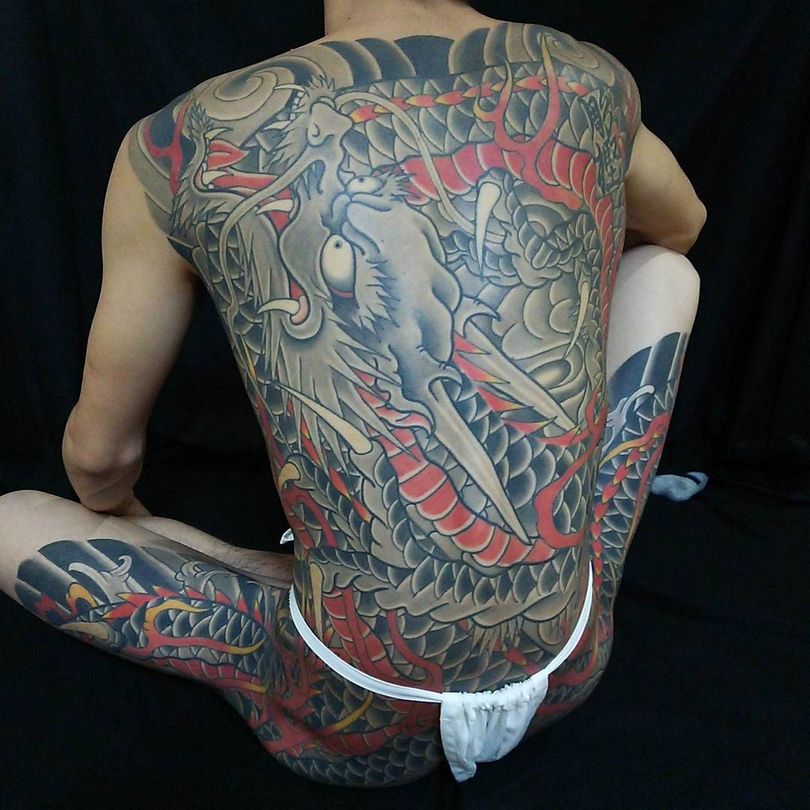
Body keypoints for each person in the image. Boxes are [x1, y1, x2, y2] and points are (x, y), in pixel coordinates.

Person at [0, 0, 705, 788]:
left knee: (8, 519)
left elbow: (99, 459)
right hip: (572, 660)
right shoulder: (591, 80)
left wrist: (130, 517)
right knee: (666, 275)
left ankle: (271, 575)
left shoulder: (181, 143)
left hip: (350, 717)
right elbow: (681, 228)